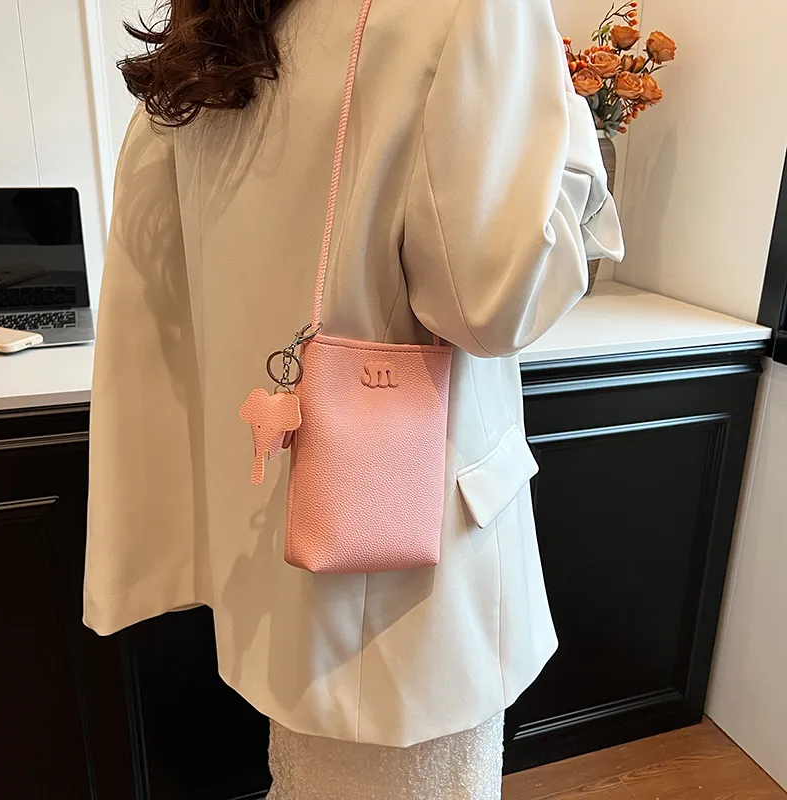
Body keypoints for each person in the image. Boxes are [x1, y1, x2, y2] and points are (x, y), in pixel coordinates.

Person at [84, 0, 624, 797]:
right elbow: (494, 303)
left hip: (272, 546)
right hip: (411, 583)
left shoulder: (226, 19)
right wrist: (569, 129)